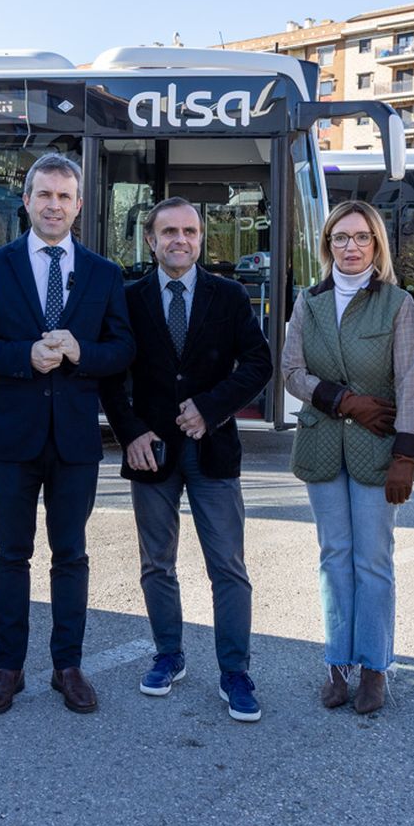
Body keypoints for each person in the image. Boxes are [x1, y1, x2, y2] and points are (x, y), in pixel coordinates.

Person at [0, 153, 135, 715]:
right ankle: (7, 668)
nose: (54, 204)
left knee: (71, 554)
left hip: (76, 442)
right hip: (12, 439)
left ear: (78, 206)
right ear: (26, 201)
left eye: (64, 196)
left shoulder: (104, 274)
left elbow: (123, 349)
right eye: (44, 194)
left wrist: (83, 354)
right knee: (10, 553)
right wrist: (22, 357)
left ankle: (68, 666)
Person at [101, 198, 271, 722]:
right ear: (150, 240)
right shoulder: (127, 298)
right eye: (169, 231)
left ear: (202, 238)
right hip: (150, 450)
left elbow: (260, 362)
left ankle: (235, 672)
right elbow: (109, 374)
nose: (180, 240)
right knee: (158, 563)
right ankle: (168, 656)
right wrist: (128, 432)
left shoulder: (228, 295)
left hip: (213, 449)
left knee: (228, 567)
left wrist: (211, 408)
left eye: (190, 231)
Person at [281, 199, 414, 715]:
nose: (351, 247)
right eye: (340, 238)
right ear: (328, 245)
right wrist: (342, 399)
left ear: (376, 244)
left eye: (361, 237)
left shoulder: (397, 304)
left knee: (374, 560)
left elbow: (411, 383)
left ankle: (374, 667)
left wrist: (407, 453)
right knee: (333, 557)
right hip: (322, 443)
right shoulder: (308, 302)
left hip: (377, 451)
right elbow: (291, 370)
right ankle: (337, 663)